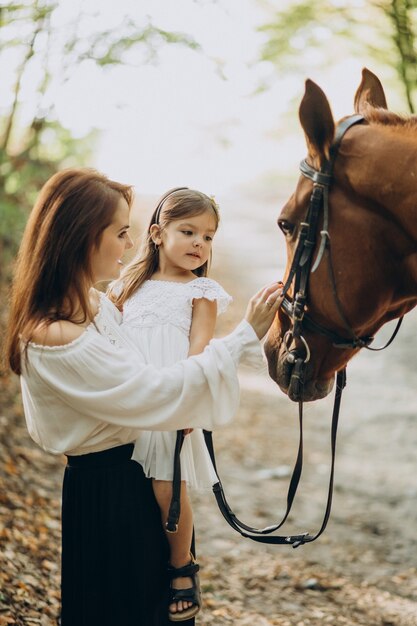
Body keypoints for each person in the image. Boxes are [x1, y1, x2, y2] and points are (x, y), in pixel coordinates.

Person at [4, 168, 283, 626]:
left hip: (139, 471)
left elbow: (171, 361)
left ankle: (181, 569)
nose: (131, 245)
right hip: (110, 495)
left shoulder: (92, 309)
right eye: (120, 233)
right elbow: (154, 391)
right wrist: (245, 334)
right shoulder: (55, 336)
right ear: (81, 238)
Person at [109, 187, 232, 621]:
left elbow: (199, 348)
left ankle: (182, 565)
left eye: (209, 236)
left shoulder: (201, 290)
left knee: (167, 483)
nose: (201, 243)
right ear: (158, 234)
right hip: (127, 396)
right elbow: (107, 339)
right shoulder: (126, 284)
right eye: (189, 231)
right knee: (123, 482)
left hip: (170, 399)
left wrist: (187, 403)